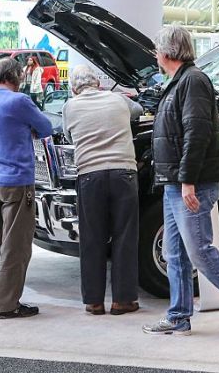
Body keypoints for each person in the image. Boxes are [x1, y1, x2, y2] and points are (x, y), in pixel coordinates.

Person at [143, 26, 219, 335]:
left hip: (191, 182)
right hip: (174, 182)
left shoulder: (193, 81)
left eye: (157, 50)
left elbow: (197, 132)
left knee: (199, 250)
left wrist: (188, 180)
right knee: (174, 253)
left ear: (167, 53)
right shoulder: (179, 81)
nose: (155, 55)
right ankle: (178, 316)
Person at [63, 65, 143, 315]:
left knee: (91, 238)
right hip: (124, 173)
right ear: (98, 83)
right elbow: (139, 110)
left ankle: (94, 301)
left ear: (74, 88)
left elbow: (68, 136)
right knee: (125, 237)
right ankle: (123, 300)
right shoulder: (117, 99)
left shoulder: (70, 106)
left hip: (89, 176)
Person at [0, 58, 53, 319]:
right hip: (17, 181)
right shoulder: (19, 101)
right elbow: (46, 128)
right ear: (16, 76)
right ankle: (8, 305)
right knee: (16, 245)